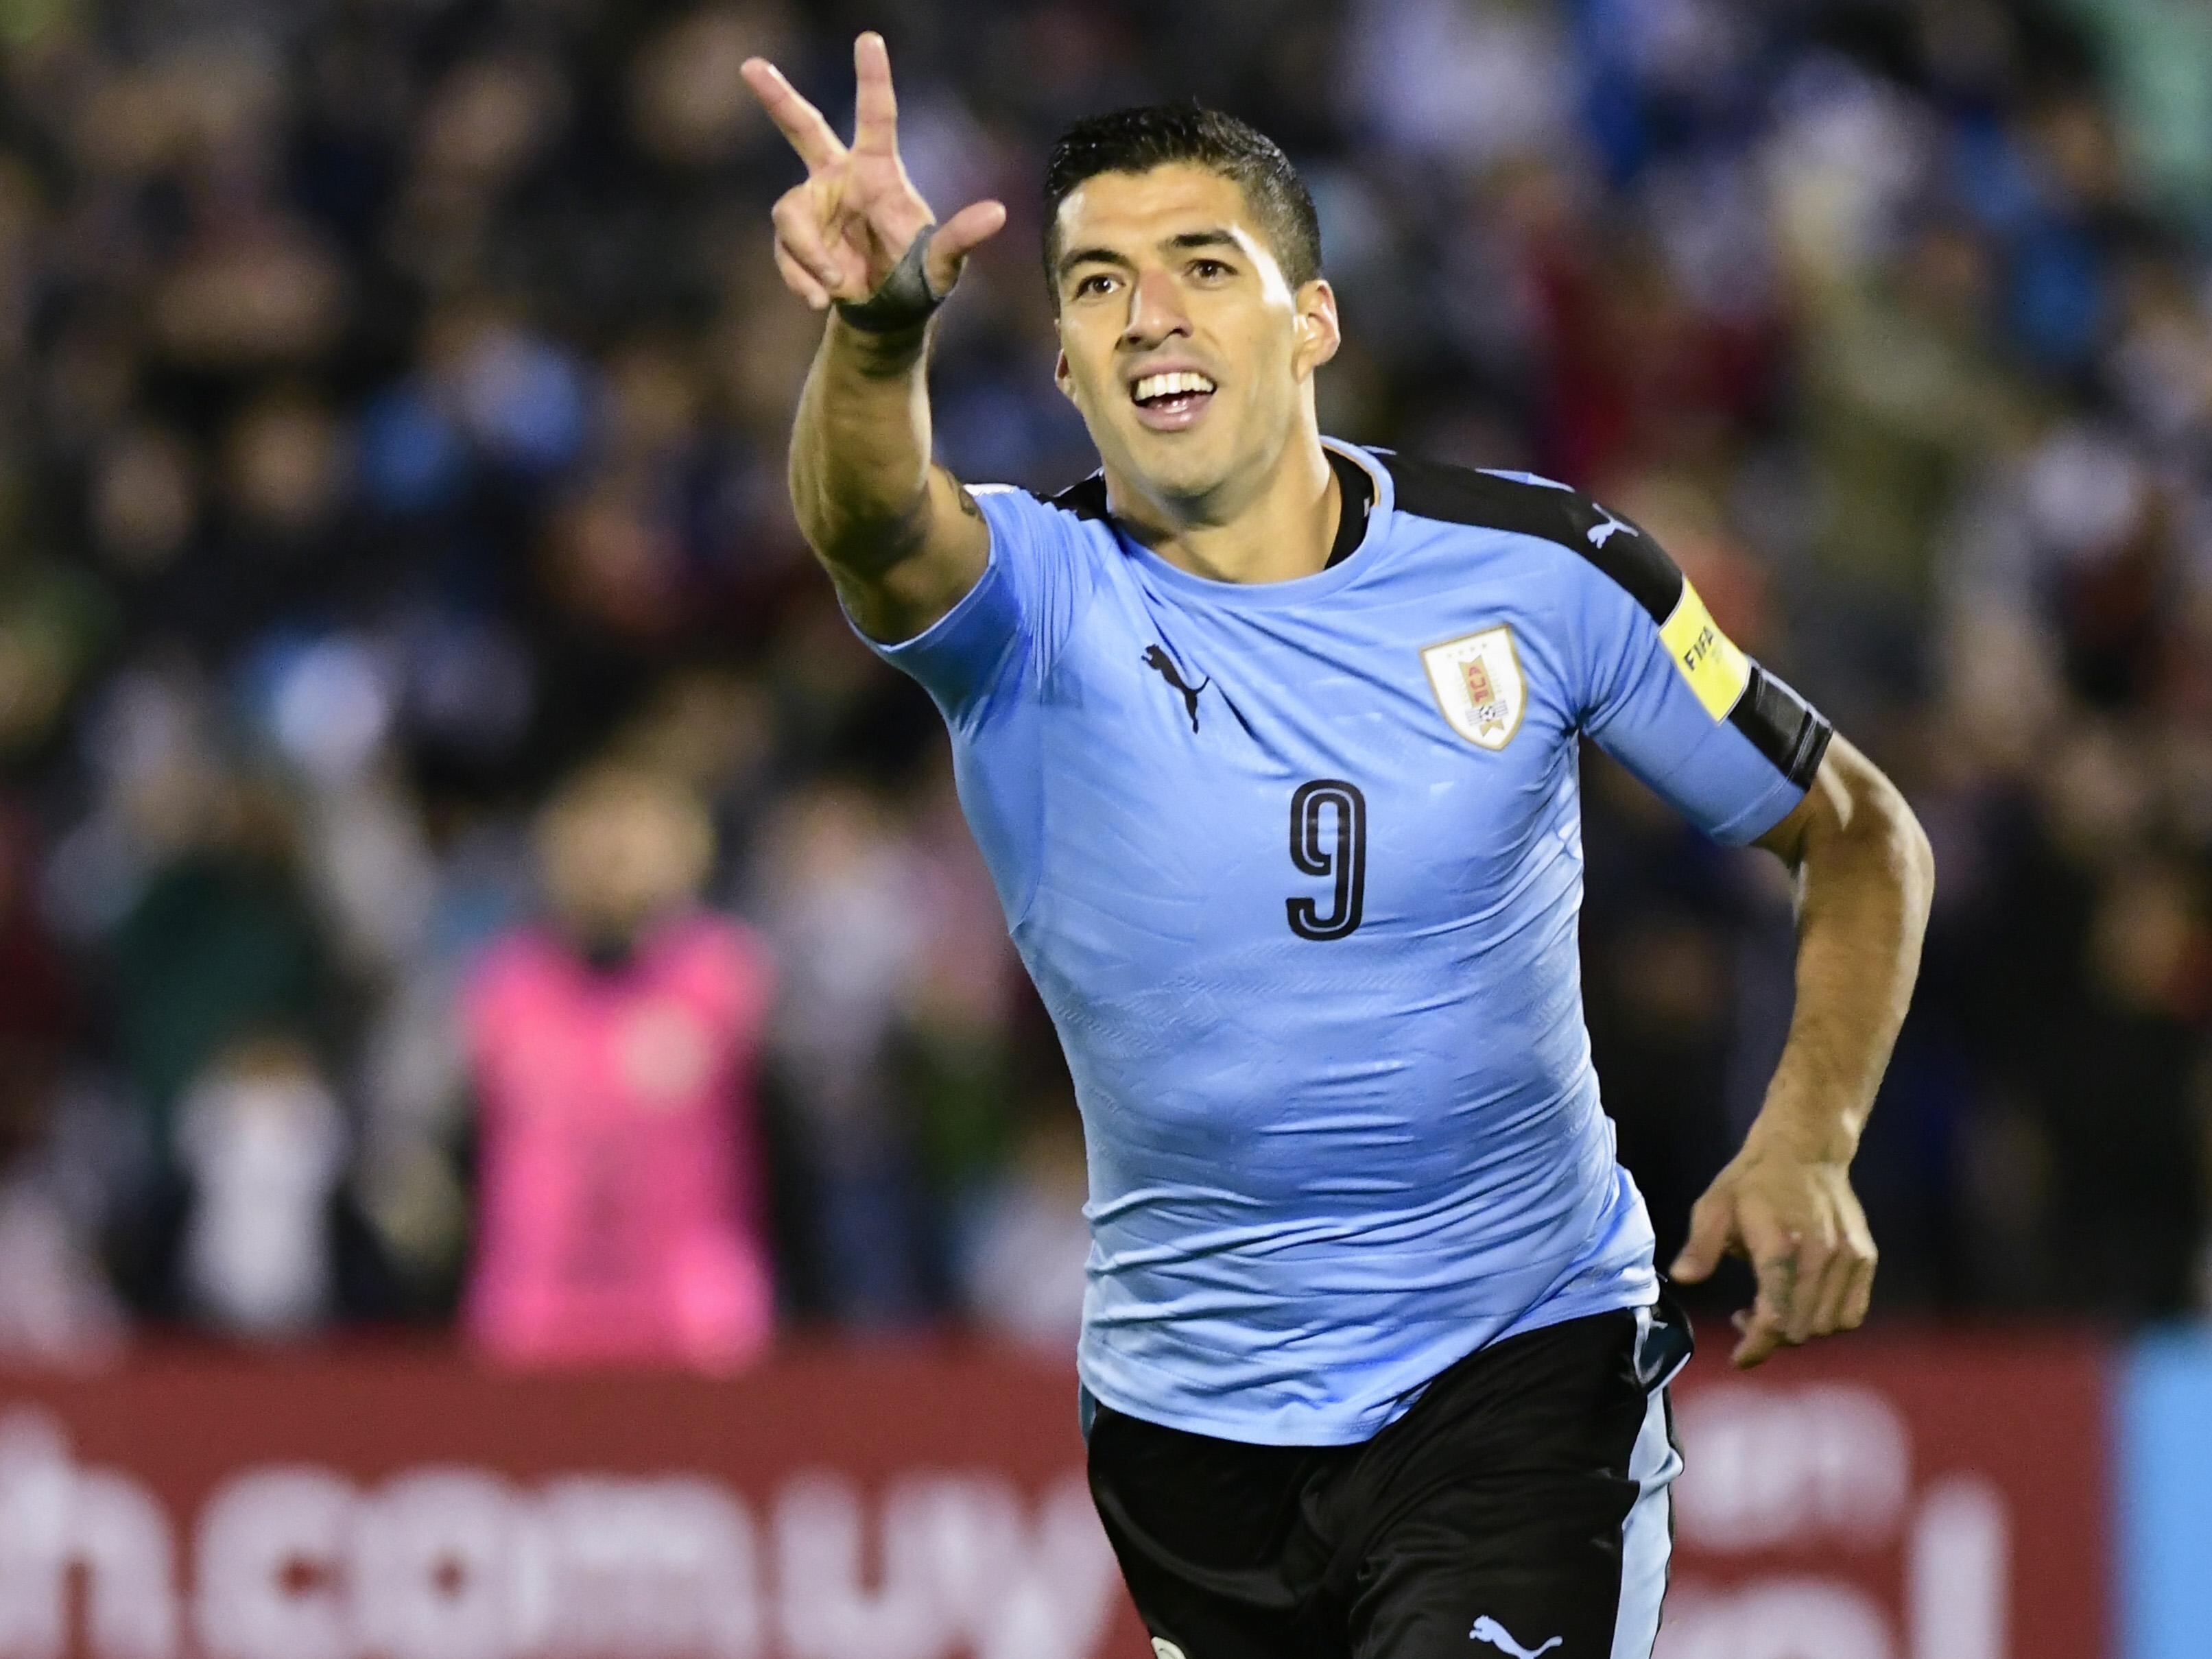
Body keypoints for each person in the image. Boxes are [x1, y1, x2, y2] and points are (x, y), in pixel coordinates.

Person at [741, 36, 1933, 1659]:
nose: (1145, 311)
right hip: (1189, 1434)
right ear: (1071, 371)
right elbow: (872, 522)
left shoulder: (1545, 572)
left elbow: (1853, 829)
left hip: (1520, 1373)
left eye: (1199, 266)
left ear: (1310, 322)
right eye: (1093, 286)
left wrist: (1806, 1127)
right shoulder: (1029, 607)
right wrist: (877, 335)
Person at [462, 760, 776, 1370]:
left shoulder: (723, 974)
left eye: (632, 838)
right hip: (532, 1314)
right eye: (590, 837)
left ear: (686, 851)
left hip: (693, 1318)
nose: (608, 859)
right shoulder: (505, 985)